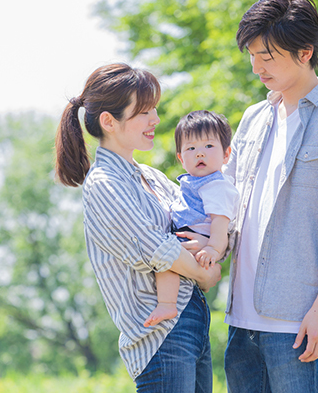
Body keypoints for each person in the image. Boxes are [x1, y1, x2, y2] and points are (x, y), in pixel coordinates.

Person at [221, 0, 318, 393]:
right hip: (240, 320)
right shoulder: (253, 118)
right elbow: (225, 198)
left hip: (298, 323)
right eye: (252, 55)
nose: (256, 67)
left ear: (305, 53)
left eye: (267, 57)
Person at [55, 63, 222, 393]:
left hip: (193, 322)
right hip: (160, 336)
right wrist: (205, 273)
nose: (155, 119)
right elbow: (160, 250)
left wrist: (210, 248)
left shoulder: (153, 178)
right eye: (143, 111)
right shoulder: (104, 184)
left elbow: (203, 223)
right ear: (109, 121)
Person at [144, 110, 239, 328]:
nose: (200, 154)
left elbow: (220, 223)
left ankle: (167, 303)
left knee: (167, 260)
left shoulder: (217, 186)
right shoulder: (190, 183)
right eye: (191, 148)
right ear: (180, 157)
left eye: (208, 146)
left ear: (226, 154)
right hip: (190, 235)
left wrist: (213, 250)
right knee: (168, 257)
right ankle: (175, 297)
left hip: (205, 240)